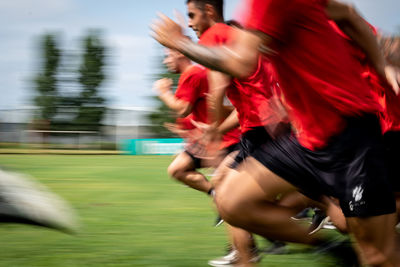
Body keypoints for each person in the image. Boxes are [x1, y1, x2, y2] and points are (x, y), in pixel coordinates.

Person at [152, 0, 400, 266]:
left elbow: (241, 64)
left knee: (374, 254)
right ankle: (330, 247)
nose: (190, 22)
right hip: (305, 139)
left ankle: (256, 255)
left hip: (349, 135)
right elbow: (348, 14)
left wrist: (180, 44)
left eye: (192, 15)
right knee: (232, 200)